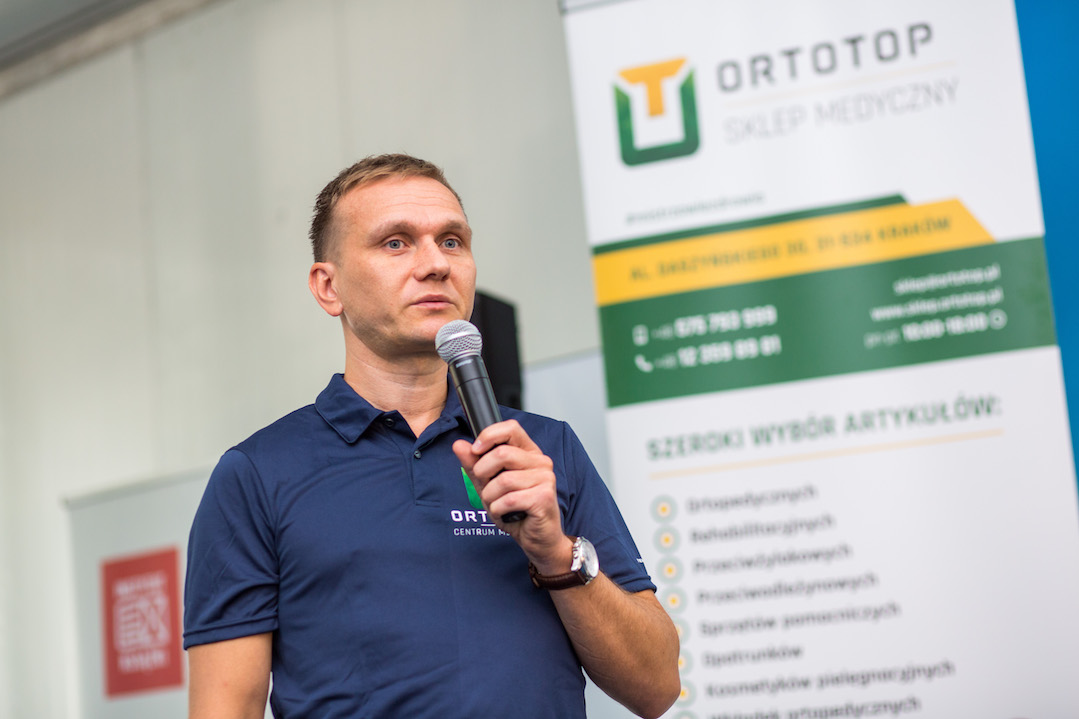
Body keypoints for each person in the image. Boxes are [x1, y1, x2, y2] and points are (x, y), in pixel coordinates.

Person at [183, 154, 681, 719]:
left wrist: (555, 553)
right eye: (395, 243)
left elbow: (657, 687)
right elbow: (226, 708)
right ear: (328, 286)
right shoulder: (259, 474)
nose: (436, 264)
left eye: (451, 241)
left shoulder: (543, 449)